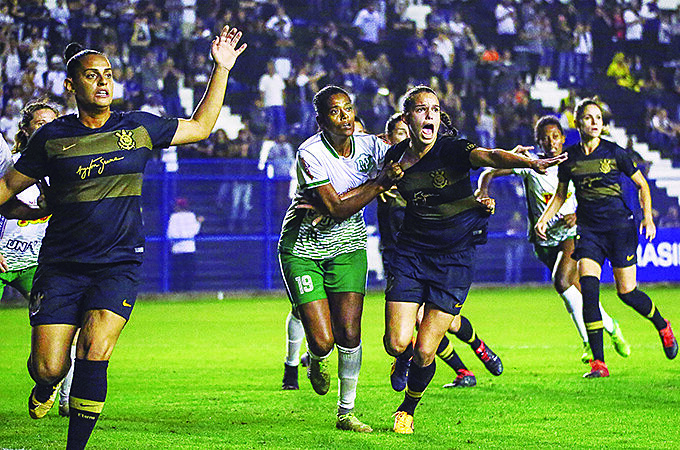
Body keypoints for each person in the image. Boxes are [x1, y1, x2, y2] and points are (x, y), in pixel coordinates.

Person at [0, 25, 246, 449]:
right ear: (70, 84)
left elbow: (201, 127)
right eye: (92, 75)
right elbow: (4, 193)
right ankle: (45, 387)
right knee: (48, 367)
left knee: (95, 352)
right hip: (61, 264)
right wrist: (32, 210)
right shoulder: (51, 138)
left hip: (118, 261)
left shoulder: (138, 128)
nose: (103, 81)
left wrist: (220, 68)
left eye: (108, 74)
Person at [382, 86, 566, 434]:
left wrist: (529, 161)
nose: (430, 116)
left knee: (425, 351)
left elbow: (492, 156)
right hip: (411, 253)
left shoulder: (452, 149)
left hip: (454, 259)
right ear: (407, 118)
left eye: (435, 110)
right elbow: (368, 183)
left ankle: (407, 408)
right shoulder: (395, 159)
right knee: (396, 343)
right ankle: (400, 359)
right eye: (421, 110)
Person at [278, 85, 400, 432]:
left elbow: (401, 161)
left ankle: (346, 412)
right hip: (304, 249)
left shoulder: (370, 146)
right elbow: (335, 207)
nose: (345, 116)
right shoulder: (309, 153)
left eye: (348, 108)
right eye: (335, 111)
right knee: (322, 341)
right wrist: (379, 184)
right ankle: (315, 360)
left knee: (349, 332)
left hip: (348, 246)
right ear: (320, 120)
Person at [535, 98, 677, 379]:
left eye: (598, 117)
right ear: (578, 122)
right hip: (589, 232)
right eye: (588, 117)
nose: (595, 122)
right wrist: (544, 218)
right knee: (589, 291)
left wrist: (647, 217)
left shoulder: (615, 153)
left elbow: (642, 184)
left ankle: (662, 325)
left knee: (627, 293)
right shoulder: (570, 159)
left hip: (619, 229)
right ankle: (599, 363)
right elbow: (561, 195)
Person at [477, 115, 630, 364]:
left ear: (563, 138)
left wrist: (579, 214)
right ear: (538, 141)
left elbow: (597, 194)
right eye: (545, 138)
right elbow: (489, 171)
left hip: (574, 234)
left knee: (561, 281)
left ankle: (589, 344)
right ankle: (610, 325)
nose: (551, 141)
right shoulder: (531, 165)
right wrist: (483, 190)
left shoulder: (576, 163)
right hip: (544, 241)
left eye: (555, 136)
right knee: (577, 291)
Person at [380, 113, 504, 390]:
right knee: (417, 325)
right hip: (403, 255)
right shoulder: (389, 174)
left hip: (441, 256)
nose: (405, 139)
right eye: (398, 135)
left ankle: (476, 349)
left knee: (448, 323)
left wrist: (478, 201)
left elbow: (455, 197)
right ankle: (460, 368)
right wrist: (377, 185)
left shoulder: (434, 167)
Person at [166, 197, 203, 292]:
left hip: (177, 249)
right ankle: (188, 292)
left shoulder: (174, 216)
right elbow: (195, 231)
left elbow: (170, 234)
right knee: (189, 272)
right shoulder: (191, 216)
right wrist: (199, 222)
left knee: (177, 272)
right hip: (189, 248)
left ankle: (176, 292)